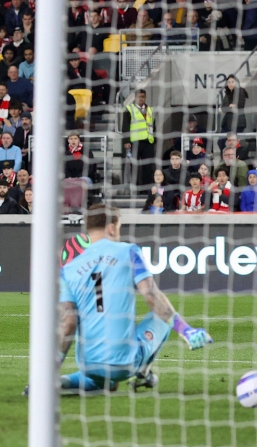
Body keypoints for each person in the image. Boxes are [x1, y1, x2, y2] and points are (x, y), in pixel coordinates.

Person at [55, 205, 212, 393]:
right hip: (123, 364)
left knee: (106, 381)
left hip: (88, 365)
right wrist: (186, 330)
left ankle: (58, 381)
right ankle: (143, 373)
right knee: (161, 318)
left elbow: (69, 323)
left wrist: (48, 371)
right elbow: (151, 295)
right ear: (112, 228)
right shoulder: (128, 251)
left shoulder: (68, 269)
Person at [122, 89, 156, 190]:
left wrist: (155, 140)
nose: (141, 99)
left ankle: (147, 188)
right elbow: (125, 127)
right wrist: (126, 141)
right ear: (135, 98)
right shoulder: (129, 109)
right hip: (134, 142)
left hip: (148, 142)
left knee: (148, 166)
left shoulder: (150, 109)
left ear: (145, 97)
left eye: (143, 97)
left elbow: (153, 126)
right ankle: (135, 188)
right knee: (134, 166)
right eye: (139, 97)